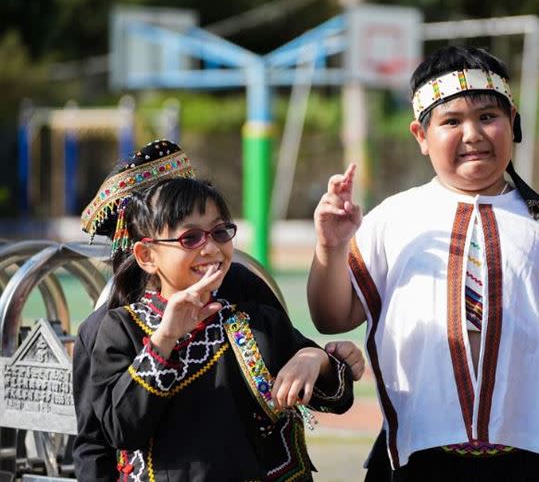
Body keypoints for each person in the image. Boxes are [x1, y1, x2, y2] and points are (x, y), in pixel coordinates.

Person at [308, 46, 539, 480]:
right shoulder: (394, 218)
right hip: (418, 453)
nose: (473, 134)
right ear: (421, 136)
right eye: (451, 121)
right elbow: (331, 317)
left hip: (537, 454)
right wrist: (330, 248)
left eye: (488, 117)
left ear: (513, 121)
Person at [72, 140, 364, 481]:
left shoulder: (248, 308)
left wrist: (318, 359)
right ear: (145, 252)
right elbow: (106, 440)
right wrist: (165, 338)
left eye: (220, 231)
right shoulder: (112, 328)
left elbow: (333, 392)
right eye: (189, 236)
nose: (210, 248)